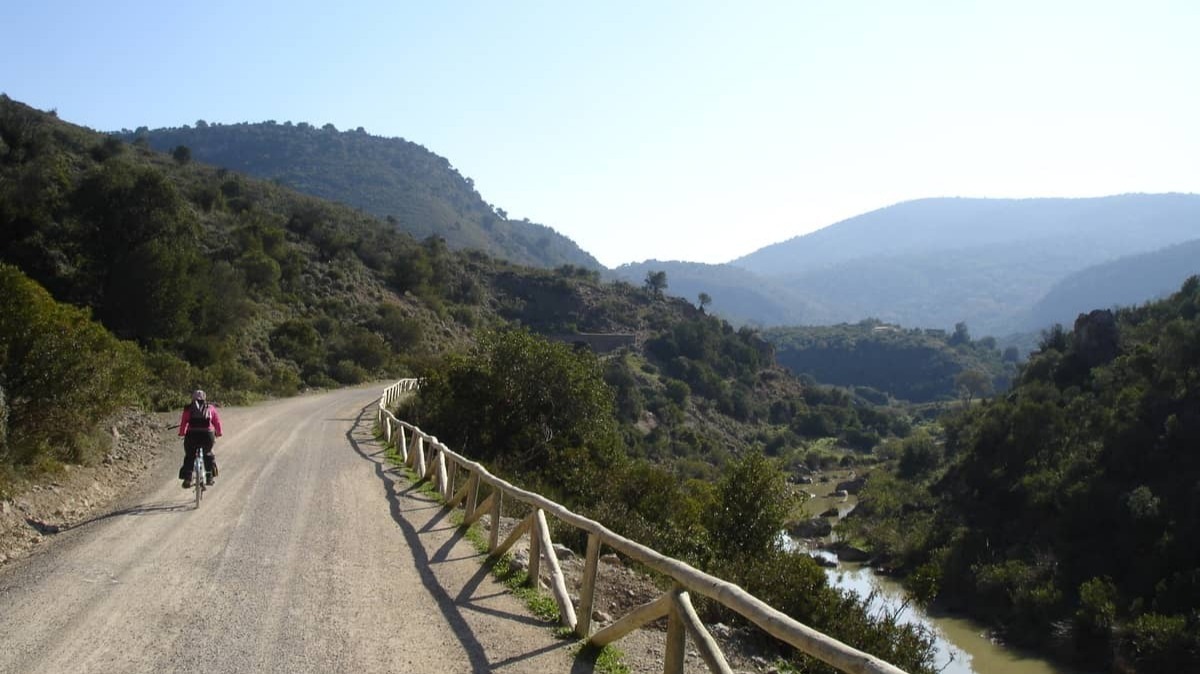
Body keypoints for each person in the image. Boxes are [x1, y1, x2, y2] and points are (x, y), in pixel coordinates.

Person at [178, 390, 222, 488]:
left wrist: (182, 433)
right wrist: (219, 433)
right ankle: (209, 477)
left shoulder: (188, 409)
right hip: (207, 435)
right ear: (205, 398)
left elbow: (183, 424)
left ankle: (188, 477)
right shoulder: (211, 408)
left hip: (192, 435)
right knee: (208, 453)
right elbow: (217, 422)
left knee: (190, 455)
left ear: (192, 398)